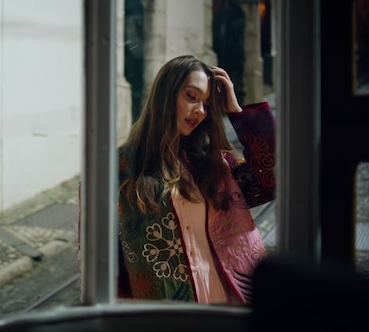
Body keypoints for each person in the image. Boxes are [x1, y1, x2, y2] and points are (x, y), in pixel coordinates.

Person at [117, 54, 275, 305]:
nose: (200, 111)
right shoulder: (121, 169)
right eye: (191, 96)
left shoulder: (215, 164)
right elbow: (103, 261)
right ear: (165, 96)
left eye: (207, 104)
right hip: (169, 312)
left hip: (232, 302)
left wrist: (236, 111)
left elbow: (271, 181)